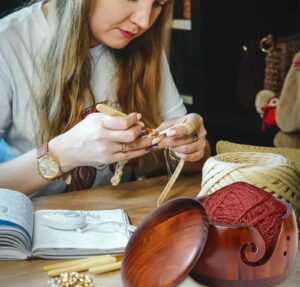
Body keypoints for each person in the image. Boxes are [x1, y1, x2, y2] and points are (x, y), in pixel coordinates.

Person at [0, 0, 209, 196]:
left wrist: (188, 147)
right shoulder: (8, 43)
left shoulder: (144, 45)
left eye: (158, 4)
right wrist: (63, 154)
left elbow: (195, 164)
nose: (144, 21)